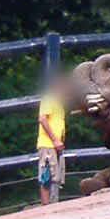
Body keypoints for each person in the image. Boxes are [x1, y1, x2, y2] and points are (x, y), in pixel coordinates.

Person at [37, 74, 66, 204]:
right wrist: (54, 140)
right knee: (46, 175)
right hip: (48, 143)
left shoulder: (58, 103)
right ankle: (46, 207)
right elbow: (42, 119)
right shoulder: (48, 99)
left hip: (55, 145)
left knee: (54, 176)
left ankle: (50, 205)